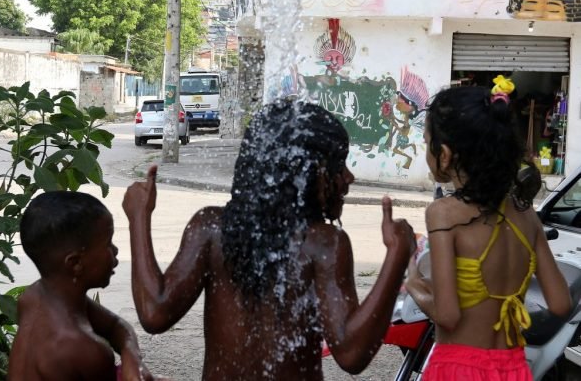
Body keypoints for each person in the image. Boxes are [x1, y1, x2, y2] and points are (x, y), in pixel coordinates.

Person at [122, 99, 415, 379]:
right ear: (305, 171)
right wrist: (397, 255)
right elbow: (351, 354)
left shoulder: (210, 227)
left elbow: (155, 312)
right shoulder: (323, 244)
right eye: (339, 165)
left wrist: (138, 217)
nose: (349, 177)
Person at [405, 83, 571, 380]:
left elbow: (447, 315)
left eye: (426, 142)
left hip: (458, 368)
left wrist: (413, 280)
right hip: (513, 368)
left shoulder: (443, 213)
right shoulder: (526, 215)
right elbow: (560, 304)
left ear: (445, 154)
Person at [8, 191, 155, 381]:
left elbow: (116, 326)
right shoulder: (84, 350)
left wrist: (132, 358)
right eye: (108, 243)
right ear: (75, 263)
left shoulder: (34, 296)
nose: (116, 251)